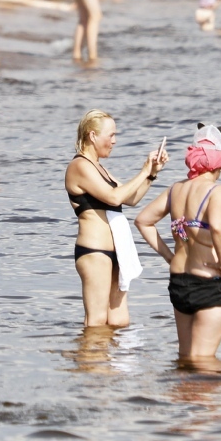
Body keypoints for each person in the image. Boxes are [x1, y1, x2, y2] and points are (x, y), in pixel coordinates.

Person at [136, 124, 221, 366]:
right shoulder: (216, 191)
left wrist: (169, 257)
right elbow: (216, 226)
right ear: (219, 162)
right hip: (208, 281)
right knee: (205, 365)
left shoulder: (176, 189)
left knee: (185, 360)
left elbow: (143, 221)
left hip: (179, 282)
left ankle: (180, 403)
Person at [65, 110, 169, 330]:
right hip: (95, 251)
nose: (114, 141)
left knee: (119, 322)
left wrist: (151, 174)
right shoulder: (80, 166)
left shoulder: (100, 168)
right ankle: (90, 363)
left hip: (116, 252)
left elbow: (130, 198)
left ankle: (112, 364)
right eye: (110, 135)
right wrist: (143, 170)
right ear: (93, 136)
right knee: (97, 322)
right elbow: (114, 197)